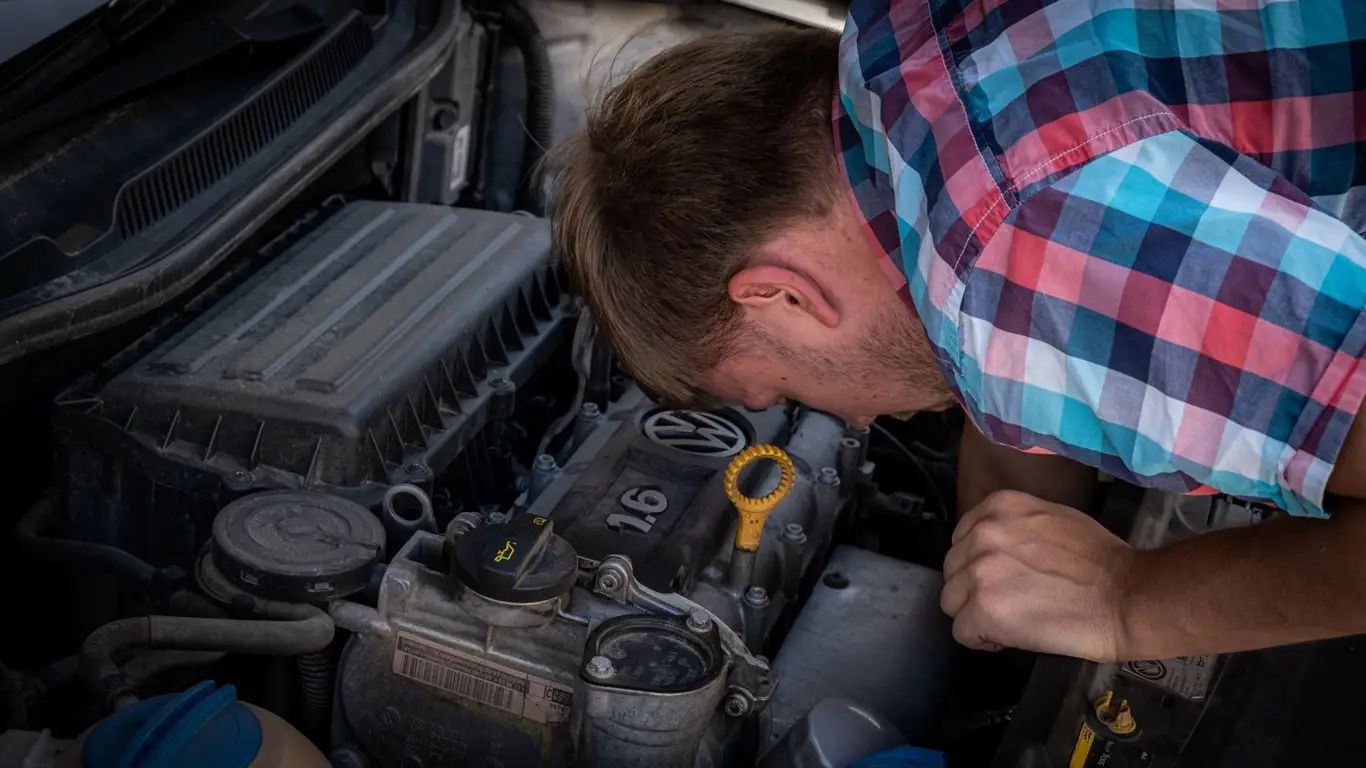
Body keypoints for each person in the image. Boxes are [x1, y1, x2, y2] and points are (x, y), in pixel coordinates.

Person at [543, 0, 1366, 664]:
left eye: (789, 390)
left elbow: (1032, 267)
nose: (854, 419)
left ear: (782, 294)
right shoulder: (895, 32)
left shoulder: (1016, 252)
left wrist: (1127, 601)